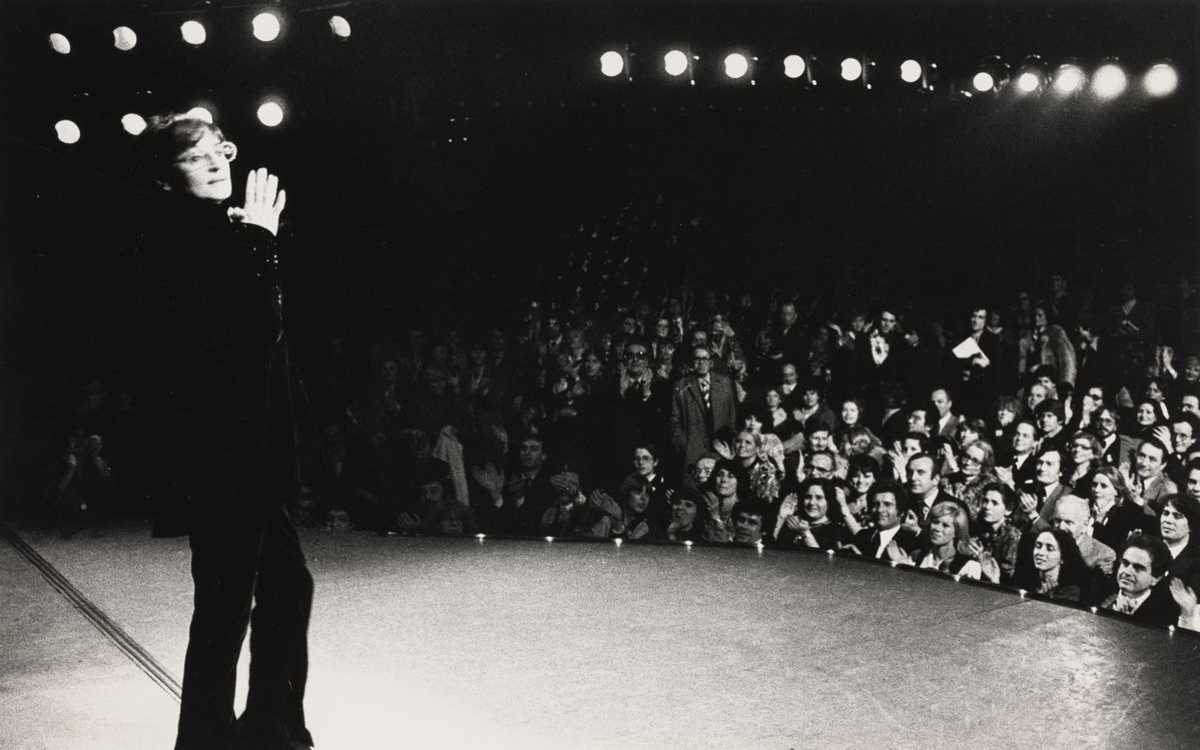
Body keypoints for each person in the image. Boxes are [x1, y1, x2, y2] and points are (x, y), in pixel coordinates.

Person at [131, 114, 314, 750]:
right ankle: (218, 739)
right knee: (226, 606)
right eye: (195, 158)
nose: (215, 164)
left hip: (245, 457)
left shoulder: (211, 231)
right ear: (166, 177)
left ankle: (270, 727)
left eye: (219, 151)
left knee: (281, 586)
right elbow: (260, 326)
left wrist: (252, 242)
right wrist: (261, 240)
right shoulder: (186, 235)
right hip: (222, 460)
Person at [1012, 528, 1087, 602]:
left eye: (1050, 549)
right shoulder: (1022, 581)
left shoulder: (1071, 591)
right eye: (1038, 546)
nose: (1040, 553)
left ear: (1063, 558)